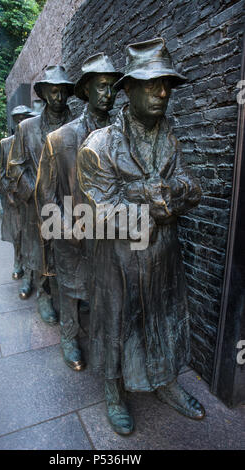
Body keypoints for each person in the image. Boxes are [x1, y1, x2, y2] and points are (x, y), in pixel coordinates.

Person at [77, 38, 205, 435]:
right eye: (151, 84)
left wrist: (173, 194)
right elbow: (100, 214)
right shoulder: (98, 147)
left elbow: (192, 187)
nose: (162, 92)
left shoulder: (170, 138)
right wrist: (149, 206)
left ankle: (165, 382)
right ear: (128, 89)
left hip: (163, 255)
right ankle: (114, 392)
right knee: (117, 326)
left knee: (164, 320)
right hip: (117, 260)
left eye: (165, 83)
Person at [36, 53, 122, 370]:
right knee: (71, 291)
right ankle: (69, 336)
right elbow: (45, 194)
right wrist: (64, 229)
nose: (108, 94)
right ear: (86, 90)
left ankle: (108, 344)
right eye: (101, 86)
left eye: (113, 87)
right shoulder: (59, 139)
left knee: (108, 294)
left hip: (111, 233)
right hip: (72, 232)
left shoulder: (122, 135)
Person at [8, 66, 74, 323]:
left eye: (63, 92)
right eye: (53, 91)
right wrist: (35, 193)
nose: (58, 97)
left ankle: (73, 295)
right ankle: (44, 296)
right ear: (44, 93)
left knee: (70, 248)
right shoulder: (27, 128)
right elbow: (14, 166)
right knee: (42, 253)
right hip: (38, 206)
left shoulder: (78, 124)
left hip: (70, 202)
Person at [0, 105, 32, 280]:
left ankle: (31, 270)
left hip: (31, 199)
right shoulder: (5, 144)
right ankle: (18, 262)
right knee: (17, 233)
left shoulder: (33, 140)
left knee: (31, 235)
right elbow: (2, 173)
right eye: (18, 118)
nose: (21, 121)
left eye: (24, 117)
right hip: (14, 199)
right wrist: (10, 195)